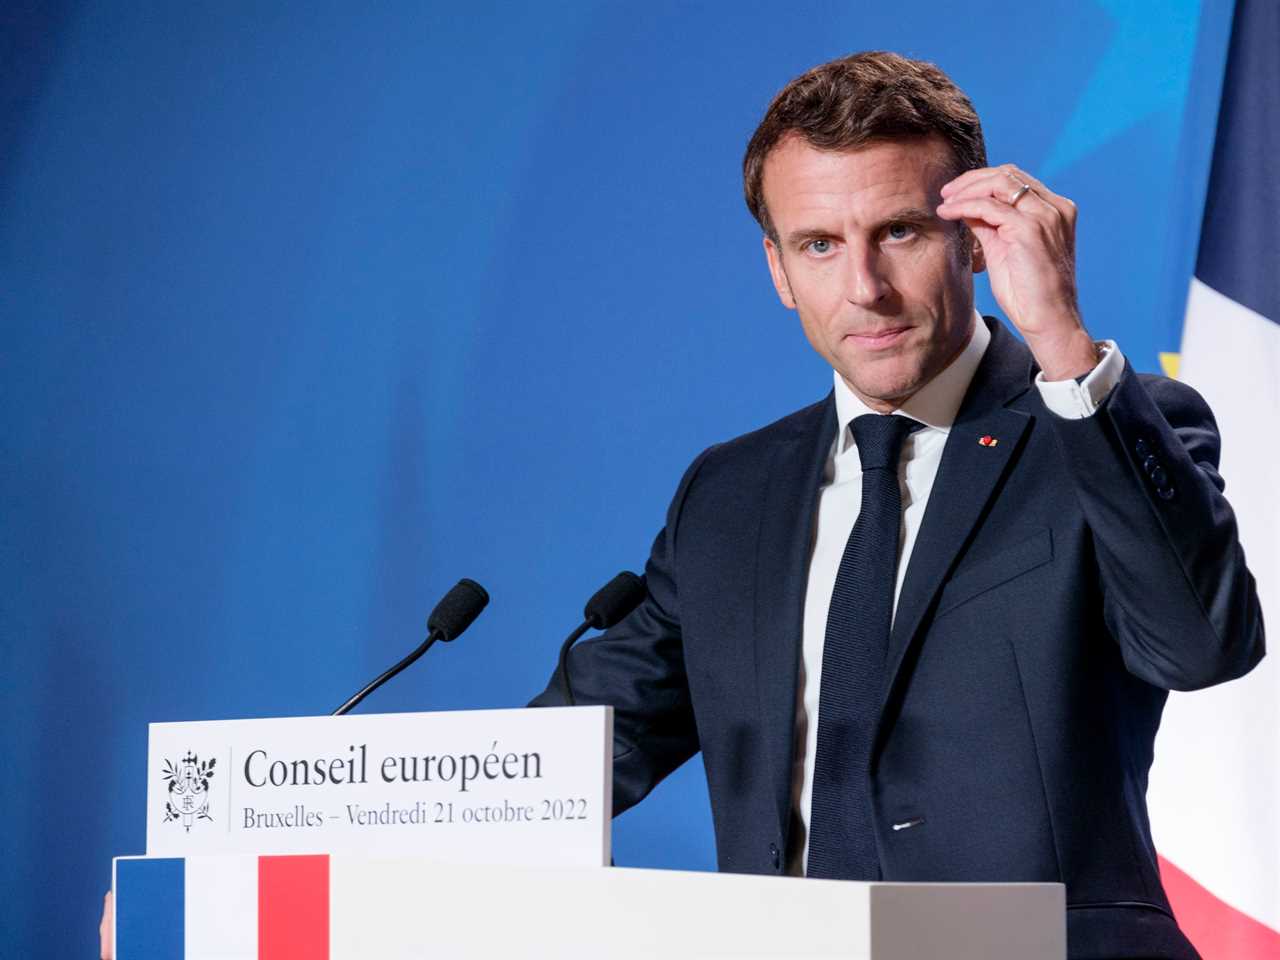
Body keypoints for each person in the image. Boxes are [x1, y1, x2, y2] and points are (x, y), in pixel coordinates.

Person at [529, 51, 1264, 960]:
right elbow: (570, 757)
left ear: (973, 239)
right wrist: (362, 793)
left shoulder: (1100, 423)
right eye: (820, 245)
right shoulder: (730, 493)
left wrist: (1064, 346)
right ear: (777, 268)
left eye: (901, 233)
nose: (864, 289)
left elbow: (1200, 645)